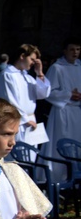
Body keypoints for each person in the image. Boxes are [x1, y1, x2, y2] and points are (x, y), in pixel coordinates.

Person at [0, 44, 51, 143]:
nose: (34, 63)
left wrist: (39, 73)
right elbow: (10, 101)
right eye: (32, 59)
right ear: (22, 56)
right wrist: (25, 120)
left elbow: (43, 94)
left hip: (30, 121)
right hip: (17, 122)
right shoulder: (7, 75)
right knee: (18, 155)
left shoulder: (27, 77)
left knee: (31, 156)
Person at [44, 37, 81, 181]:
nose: (75, 52)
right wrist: (68, 94)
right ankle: (58, 177)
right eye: (72, 49)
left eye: (78, 49)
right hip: (63, 112)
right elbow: (48, 93)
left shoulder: (80, 66)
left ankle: (76, 179)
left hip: (77, 112)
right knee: (61, 145)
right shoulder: (56, 68)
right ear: (65, 51)